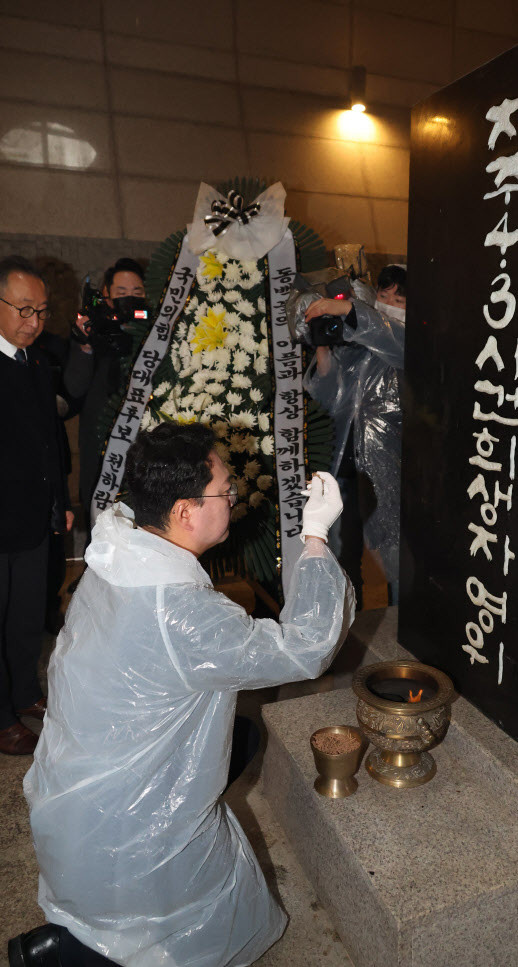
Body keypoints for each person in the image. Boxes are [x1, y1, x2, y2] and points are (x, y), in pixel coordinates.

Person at [13, 422, 353, 967]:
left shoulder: (119, 545)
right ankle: (81, 955)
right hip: (131, 829)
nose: (234, 500)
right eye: (225, 491)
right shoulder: (181, 612)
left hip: (76, 793)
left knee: (240, 738)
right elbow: (304, 648)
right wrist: (315, 538)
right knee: (181, 918)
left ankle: (75, 940)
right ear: (184, 511)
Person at [0, 256, 72, 756]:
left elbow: (51, 443)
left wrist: (59, 502)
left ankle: (24, 692)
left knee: (27, 615)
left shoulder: (39, 363)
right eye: (24, 310)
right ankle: (1, 718)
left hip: (33, 516)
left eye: (42, 311)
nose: (34, 322)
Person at [303, 264, 406, 605]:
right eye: (383, 294)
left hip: (387, 466)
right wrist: (322, 346)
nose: (388, 302)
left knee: (394, 552)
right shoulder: (358, 337)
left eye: (399, 298)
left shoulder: (407, 336)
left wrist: (345, 308)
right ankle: (346, 624)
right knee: (340, 552)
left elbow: (391, 339)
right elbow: (327, 393)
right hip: (343, 461)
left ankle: (399, 635)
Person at [64, 257, 147, 538]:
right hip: (100, 455)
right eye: (121, 294)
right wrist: (84, 344)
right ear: (106, 296)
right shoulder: (92, 336)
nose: (130, 301)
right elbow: (73, 390)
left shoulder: (156, 337)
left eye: (137, 293)